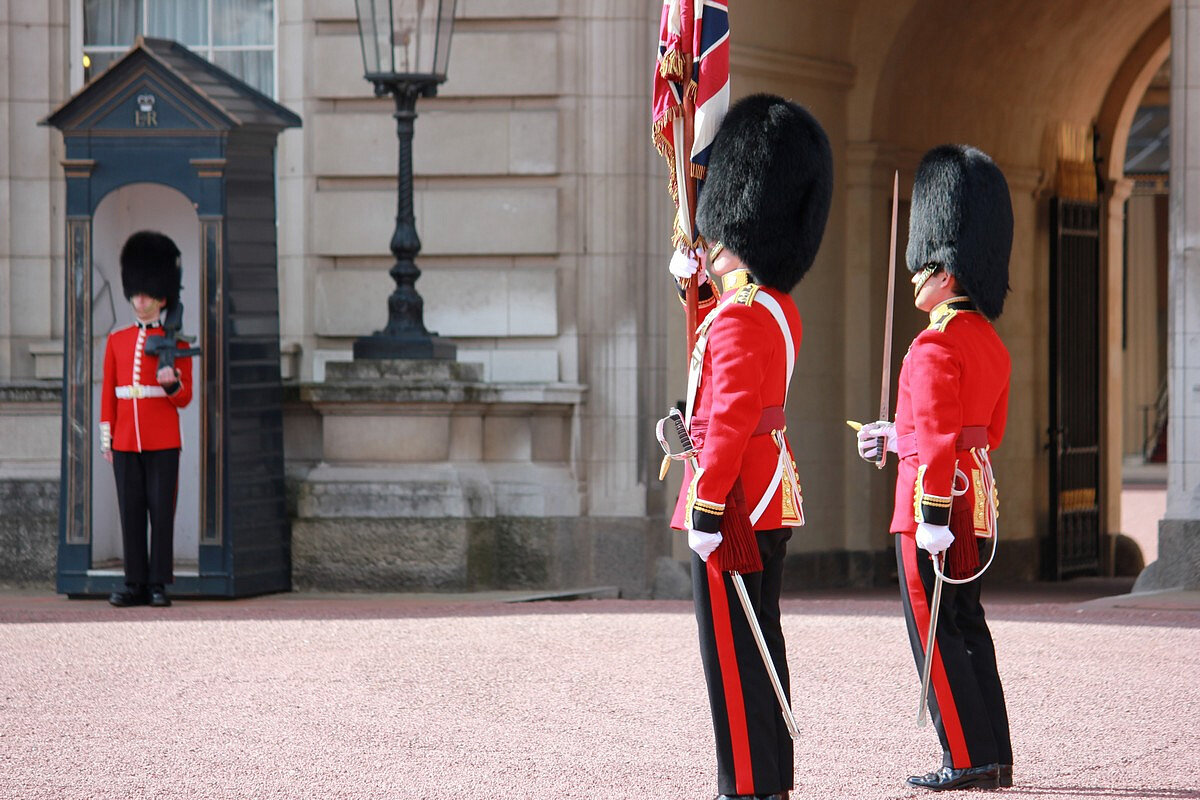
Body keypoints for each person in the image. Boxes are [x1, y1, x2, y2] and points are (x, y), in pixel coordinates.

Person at [668, 93, 832, 800]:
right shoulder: (771, 307)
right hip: (768, 491)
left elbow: (730, 417)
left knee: (733, 655)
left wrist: (704, 506)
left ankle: (745, 785)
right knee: (760, 639)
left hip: (733, 499)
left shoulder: (739, 316)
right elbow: (723, 394)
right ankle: (768, 777)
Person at [855, 144, 1014, 791]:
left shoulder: (933, 343)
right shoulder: (989, 343)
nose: (914, 275)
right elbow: (981, 431)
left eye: (924, 267)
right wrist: (895, 436)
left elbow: (941, 438)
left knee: (935, 630)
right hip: (972, 498)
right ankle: (994, 752)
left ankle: (966, 758)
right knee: (969, 624)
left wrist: (930, 516)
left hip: (932, 505)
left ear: (947, 270)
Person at [101, 231, 194, 608]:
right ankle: (134, 581)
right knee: (132, 513)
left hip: (162, 439)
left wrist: (170, 385)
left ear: (161, 296)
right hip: (125, 439)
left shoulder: (178, 341)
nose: (140, 300)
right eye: (136, 294)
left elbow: (185, 398)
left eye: (147, 294)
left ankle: (159, 582)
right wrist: (107, 439)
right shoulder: (117, 341)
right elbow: (109, 393)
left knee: (161, 512)